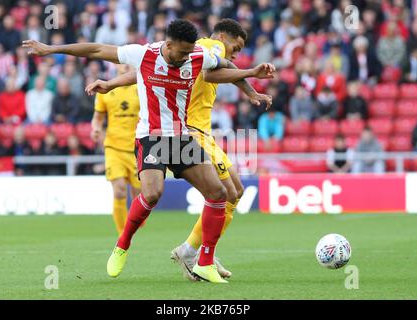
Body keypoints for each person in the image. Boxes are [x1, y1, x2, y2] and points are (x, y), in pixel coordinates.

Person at [23, 18, 274, 283]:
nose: (187, 58)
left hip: (181, 138)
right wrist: (51, 49)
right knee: (152, 194)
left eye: (190, 52)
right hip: (152, 137)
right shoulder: (144, 53)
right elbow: (97, 50)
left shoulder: (197, 55)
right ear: (168, 44)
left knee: (219, 193)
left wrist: (250, 75)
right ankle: (122, 245)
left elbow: (219, 66)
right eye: (182, 52)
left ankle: (204, 261)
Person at [91, 64, 141, 235]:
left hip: (137, 148)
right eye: (121, 62)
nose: (125, 65)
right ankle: (123, 235)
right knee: (119, 190)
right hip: (114, 148)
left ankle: (133, 226)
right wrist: (96, 128)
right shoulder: (106, 91)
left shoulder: (140, 89)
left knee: (140, 196)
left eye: (129, 62)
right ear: (115, 66)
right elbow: (97, 118)